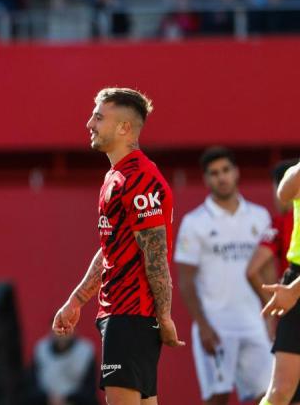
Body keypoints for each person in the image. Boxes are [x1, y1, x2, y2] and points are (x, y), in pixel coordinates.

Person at [52, 88, 184, 405]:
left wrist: (164, 317)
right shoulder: (116, 177)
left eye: (98, 117)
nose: (89, 124)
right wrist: (77, 299)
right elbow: (111, 248)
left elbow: (155, 255)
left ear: (124, 128)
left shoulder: (139, 178)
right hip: (122, 315)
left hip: (132, 315)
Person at [174, 146, 272, 404]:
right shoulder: (195, 222)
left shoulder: (260, 216)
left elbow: (268, 271)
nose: (222, 177)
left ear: (236, 172)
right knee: (218, 397)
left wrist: (271, 317)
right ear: (206, 179)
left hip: (254, 323)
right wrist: (203, 325)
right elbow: (185, 280)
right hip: (216, 325)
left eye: (226, 170)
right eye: (214, 173)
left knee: (271, 395)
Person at [260, 160, 300, 405]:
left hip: (294, 290)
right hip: (295, 279)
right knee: (281, 392)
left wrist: (294, 292)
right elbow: (283, 194)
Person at [28, 330, 98, 405]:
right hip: (45, 400)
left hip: (76, 401)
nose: (62, 335)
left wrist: (68, 399)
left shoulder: (85, 351)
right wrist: (48, 398)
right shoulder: (41, 349)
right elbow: (31, 385)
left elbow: (89, 388)